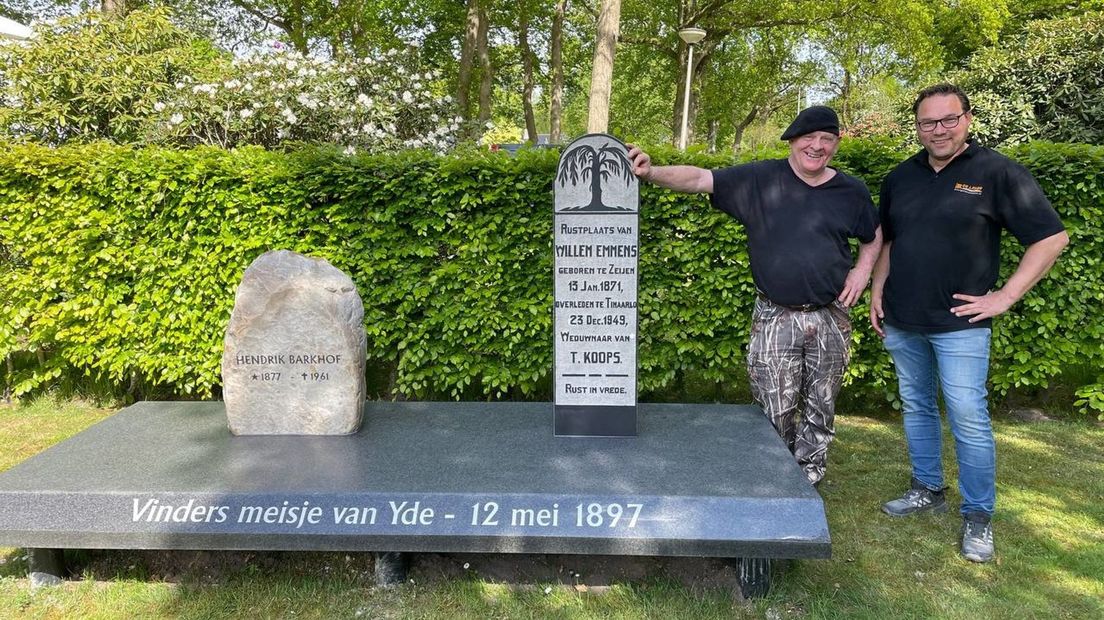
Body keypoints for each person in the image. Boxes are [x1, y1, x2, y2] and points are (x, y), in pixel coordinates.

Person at [627, 106, 882, 486]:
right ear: (792, 142)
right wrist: (650, 172)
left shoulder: (852, 191)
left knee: (821, 403)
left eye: (826, 139)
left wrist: (862, 272)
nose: (817, 146)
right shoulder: (761, 178)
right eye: (808, 138)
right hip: (776, 314)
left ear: (836, 144)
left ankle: (808, 476)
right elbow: (699, 178)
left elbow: (873, 236)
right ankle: (776, 475)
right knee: (775, 405)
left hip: (831, 314)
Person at [871, 83, 1068, 563]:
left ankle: (978, 516)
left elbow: (1051, 237)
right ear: (916, 126)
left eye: (947, 119)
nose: (937, 130)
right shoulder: (901, 177)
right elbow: (890, 242)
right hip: (903, 318)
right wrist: (877, 291)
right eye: (927, 122)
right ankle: (927, 489)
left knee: (967, 418)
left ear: (968, 119)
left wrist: (1005, 296)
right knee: (917, 407)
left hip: (961, 325)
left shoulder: (997, 172)